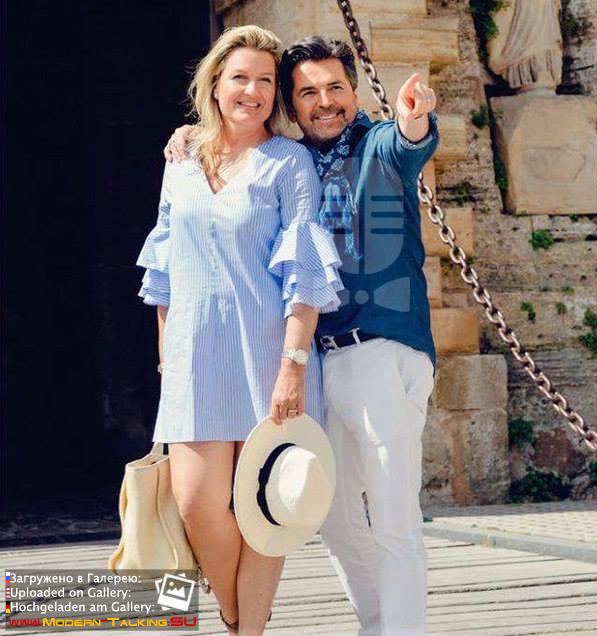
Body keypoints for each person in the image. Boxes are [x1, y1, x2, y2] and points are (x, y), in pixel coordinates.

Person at [166, 36, 440, 636]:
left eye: (335, 87)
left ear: (354, 91)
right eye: (308, 92)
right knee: (330, 517)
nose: (325, 102)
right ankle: (375, 625)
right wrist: (192, 134)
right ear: (291, 106)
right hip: (322, 358)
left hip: (380, 350)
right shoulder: (293, 160)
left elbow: (409, 142)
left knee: (393, 518)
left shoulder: (376, 146)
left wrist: (414, 120)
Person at [137, 26, 343, 635]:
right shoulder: (180, 161)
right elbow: (163, 272)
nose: (252, 91)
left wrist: (293, 367)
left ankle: (245, 629)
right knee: (197, 504)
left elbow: (304, 275)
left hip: (269, 356)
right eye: (240, 78)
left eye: (265, 81)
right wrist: (166, 360)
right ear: (214, 84)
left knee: (267, 508)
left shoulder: (289, 162)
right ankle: (237, 614)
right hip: (193, 360)